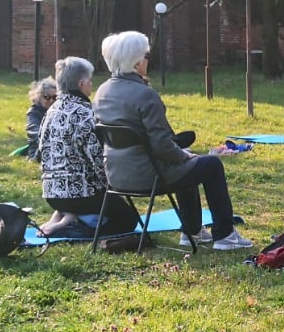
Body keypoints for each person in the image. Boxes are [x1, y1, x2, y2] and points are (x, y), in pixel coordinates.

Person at [93, 31, 253, 250]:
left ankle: (192, 231)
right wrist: (185, 155)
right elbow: (161, 146)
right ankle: (225, 235)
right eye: (146, 55)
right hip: (149, 174)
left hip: (117, 175)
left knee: (186, 162)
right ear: (137, 61)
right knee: (210, 164)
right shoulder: (145, 94)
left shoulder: (101, 92)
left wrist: (182, 154)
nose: (148, 59)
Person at [35, 56, 138, 238]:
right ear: (82, 84)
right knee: (128, 221)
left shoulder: (50, 112)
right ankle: (74, 226)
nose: (92, 84)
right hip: (82, 194)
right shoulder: (84, 114)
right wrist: (115, 186)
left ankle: (64, 214)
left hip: (51, 193)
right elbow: (98, 160)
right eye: (90, 80)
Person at [24, 77, 58, 158]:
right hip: (38, 150)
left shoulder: (58, 111)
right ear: (39, 97)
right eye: (47, 97)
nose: (51, 100)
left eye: (54, 97)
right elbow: (34, 132)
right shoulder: (33, 112)